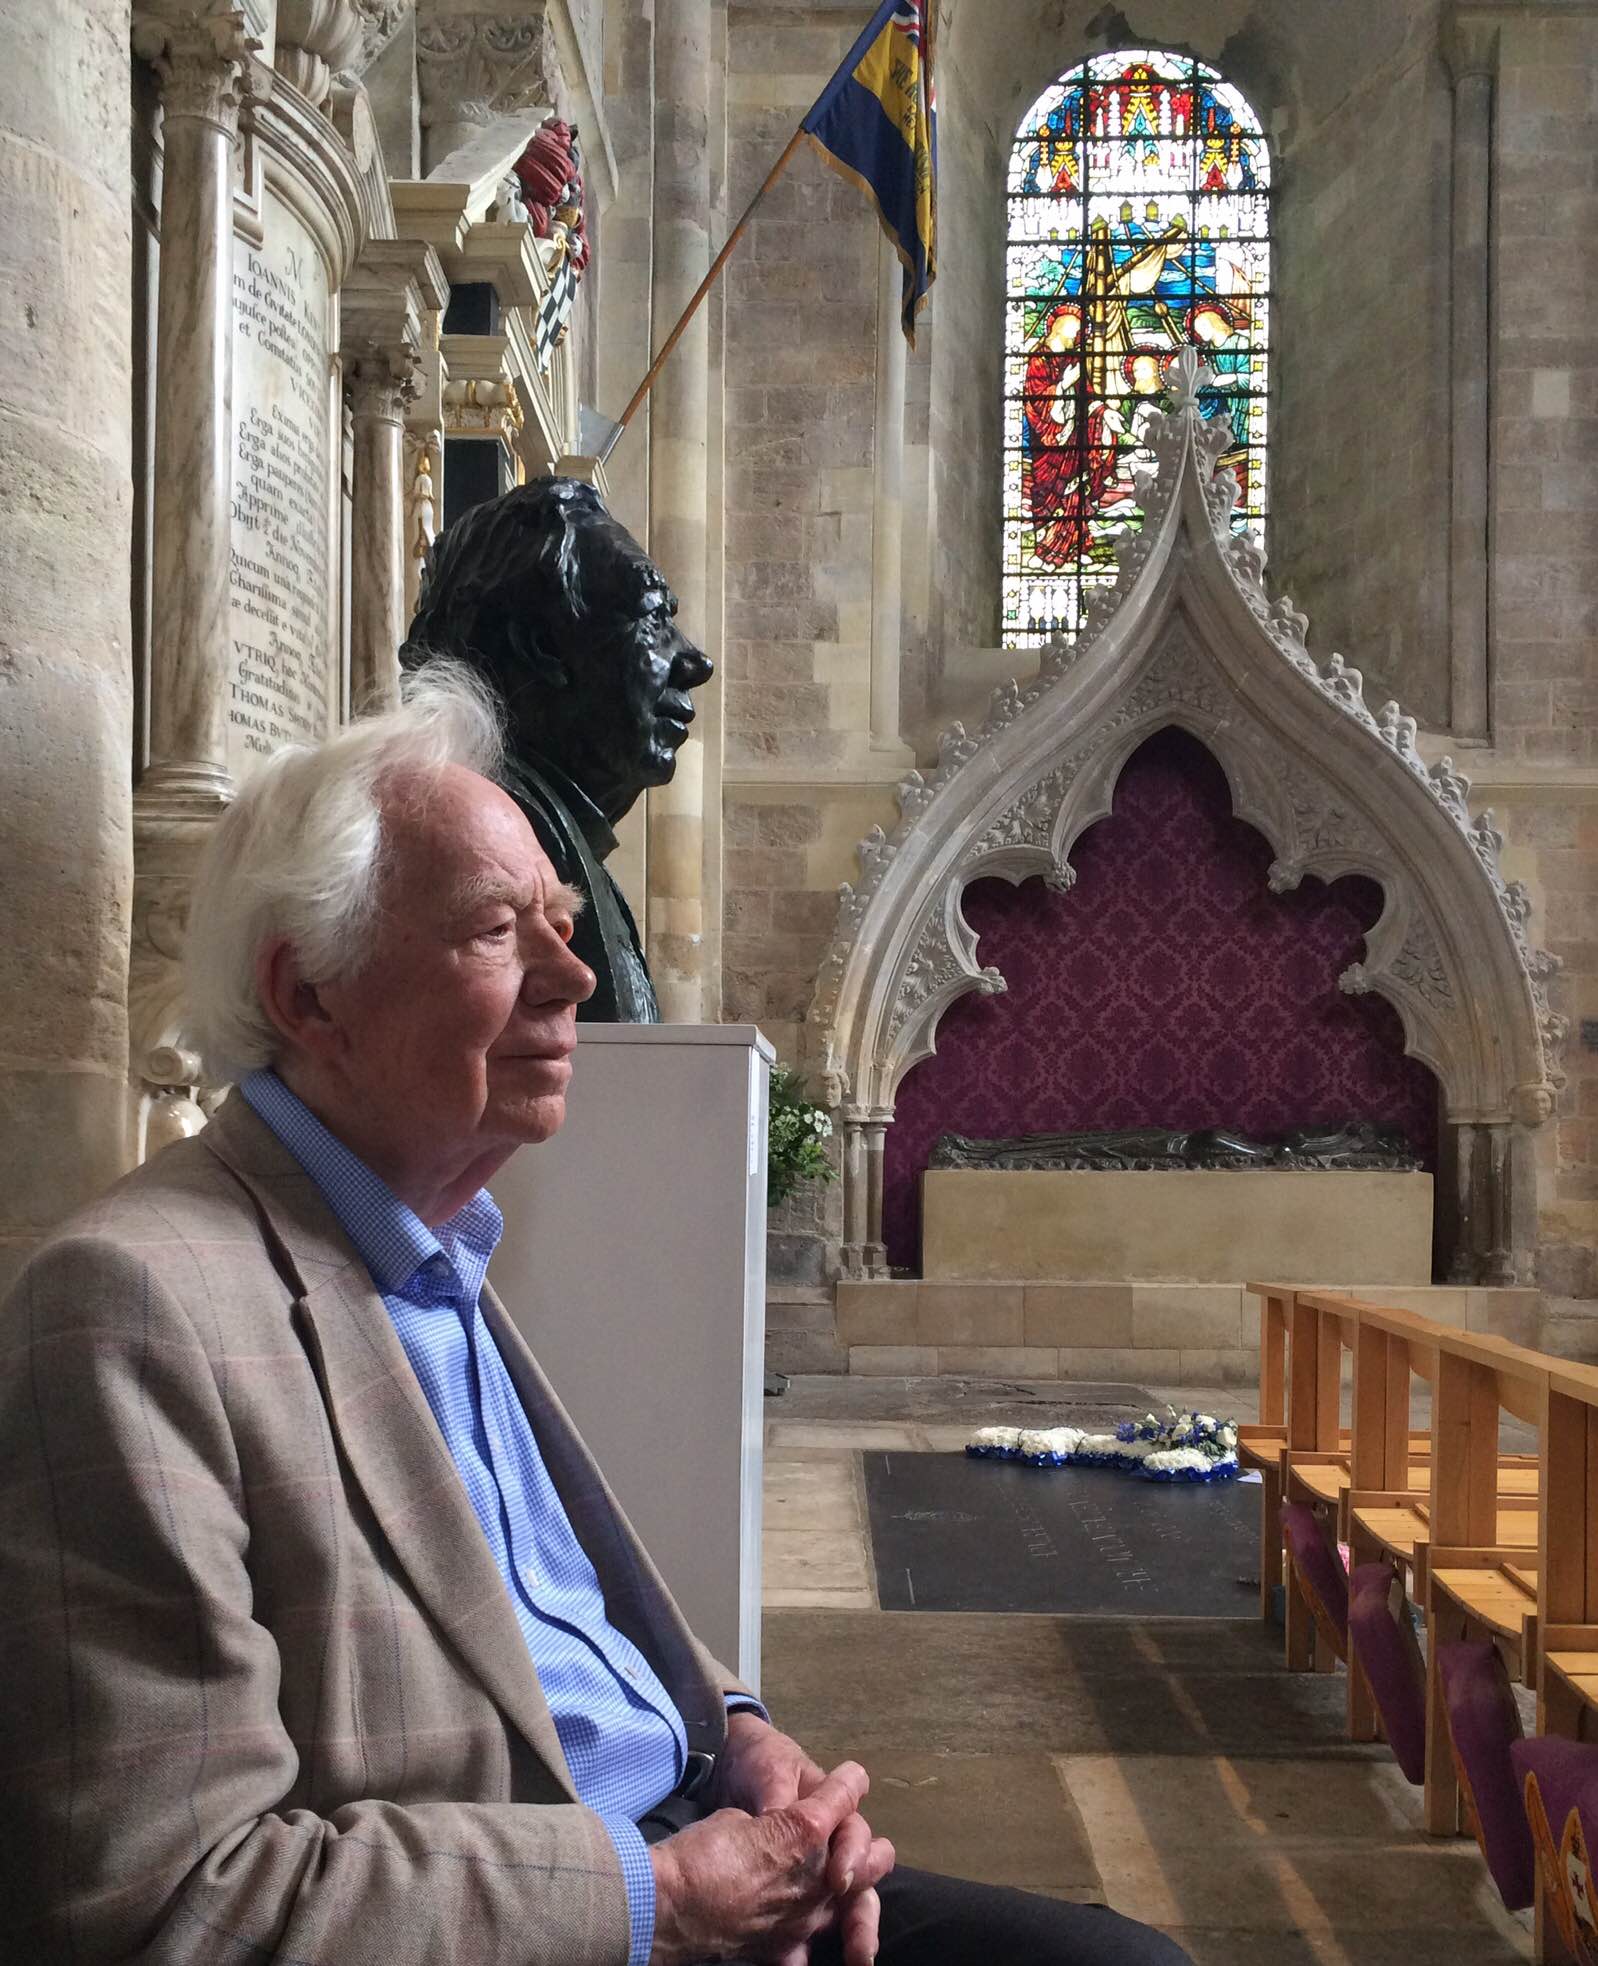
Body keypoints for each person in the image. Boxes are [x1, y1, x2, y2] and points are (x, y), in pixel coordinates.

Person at [0, 664, 1191, 1966]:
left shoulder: (433, 1245)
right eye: (494, 930)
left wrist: (739, 1736)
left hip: (682, 1829)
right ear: (308, 994)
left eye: (561, 922)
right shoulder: (132, 1308)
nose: (570, 975)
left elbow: (556, 1626)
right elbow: (169, 1900)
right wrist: (656, 1901)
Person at [401, 478, 714, 1022]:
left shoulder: (569, 850)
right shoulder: (493, 846)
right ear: (541, 645)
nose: (695, 663)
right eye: (652, 618)